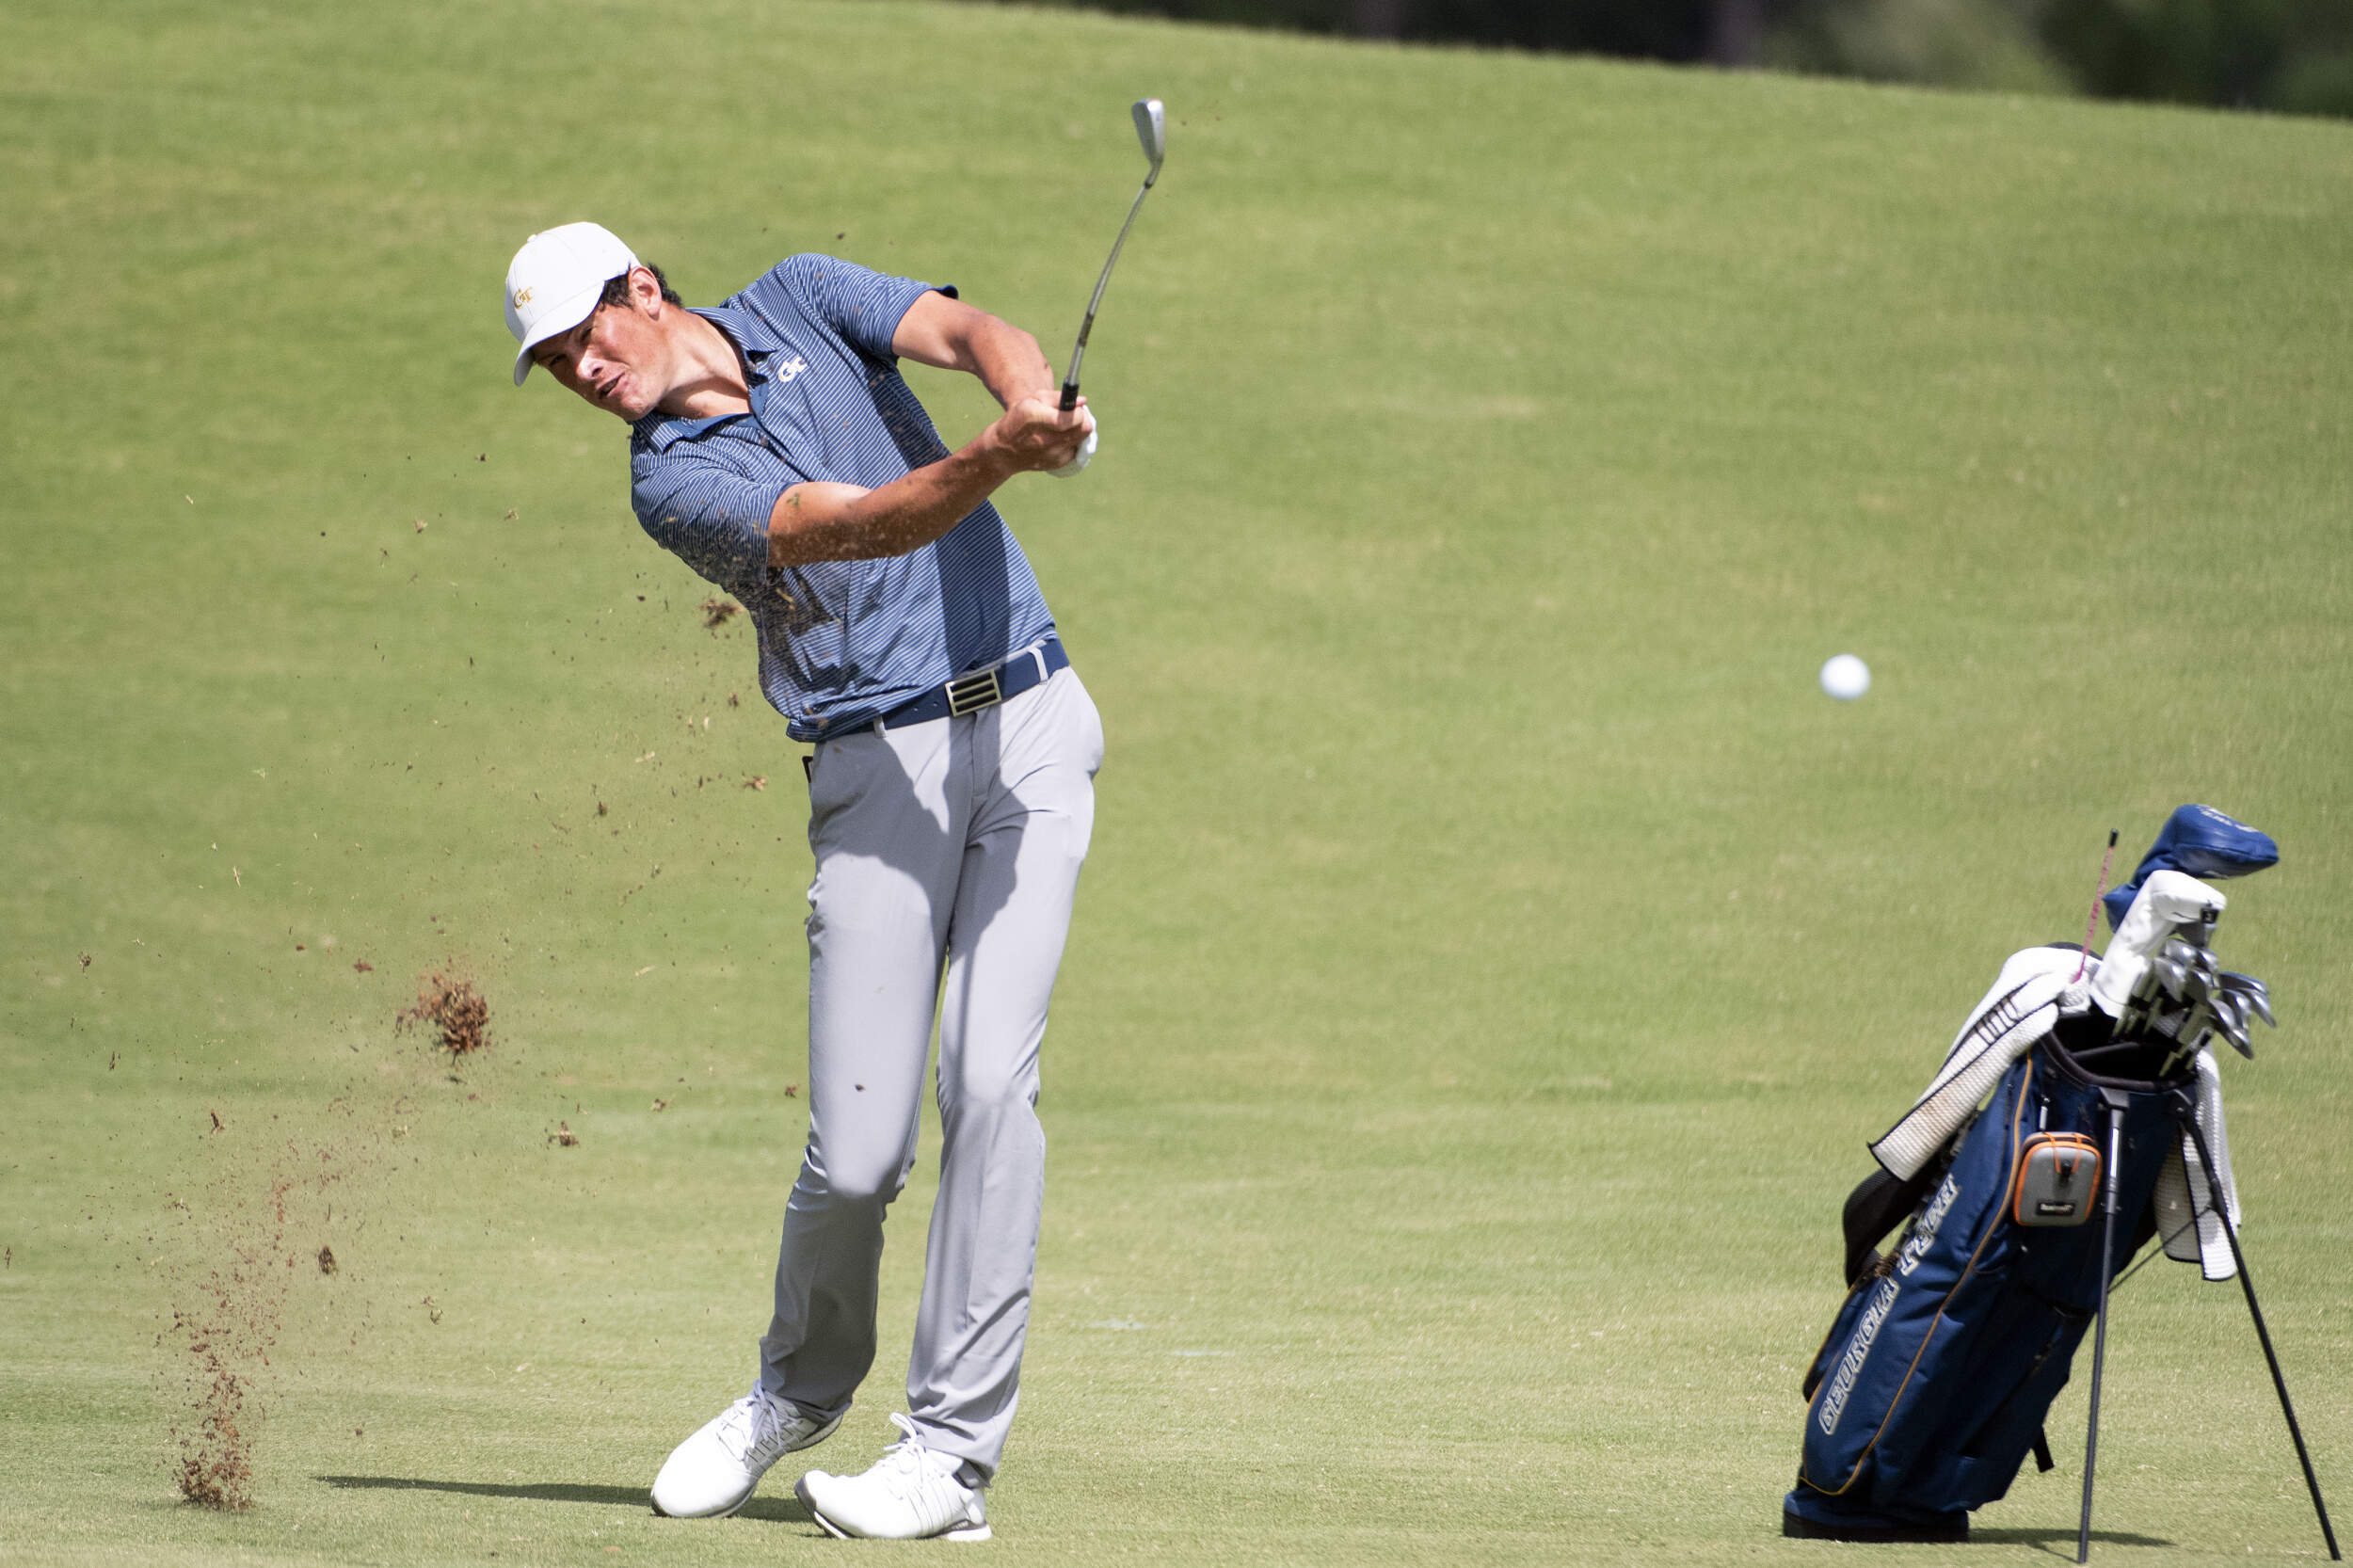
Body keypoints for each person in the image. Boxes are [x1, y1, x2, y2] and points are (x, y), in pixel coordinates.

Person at [502, 221, 1105, 1542]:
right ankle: (795, 1389)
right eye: (553, 367)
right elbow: (863, 523)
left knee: (992, 1084)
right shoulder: (668, 484)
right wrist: (998, 456)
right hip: (874, 773)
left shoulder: (800, 297)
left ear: (642, 291)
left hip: (1035, 726)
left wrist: (1020, 397)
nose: (582, 373)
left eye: (586, 337)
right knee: (858, 1156)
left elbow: (963, 329)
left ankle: (947, 1456)